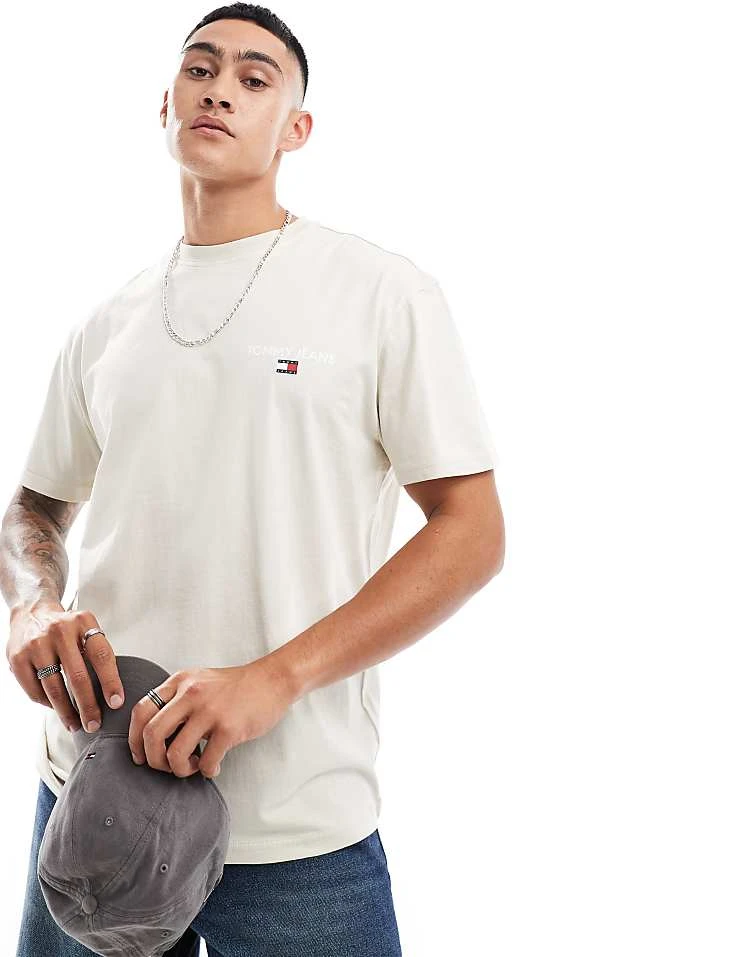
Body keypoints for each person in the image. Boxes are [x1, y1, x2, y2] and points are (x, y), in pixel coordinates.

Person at [2, 3, 505, 954]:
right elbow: (34, 504)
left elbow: (472, 530)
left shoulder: (381, 293)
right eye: (199, 69)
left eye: (255, 77)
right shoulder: (105, 323)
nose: (220, 89)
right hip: (94, 796)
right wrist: (32, 605)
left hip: (293, 823)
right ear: (164, 104)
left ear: (296, 127)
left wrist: (275, 679)